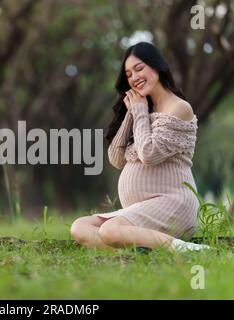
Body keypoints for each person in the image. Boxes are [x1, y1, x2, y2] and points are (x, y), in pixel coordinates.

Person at [70, 42, 211, 253]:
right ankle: (138, 252)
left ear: (157, 66)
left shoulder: (179, 108)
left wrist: (140, 112)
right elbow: (116, 159)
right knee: (80, 227)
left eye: (139, 68)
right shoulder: (142, 109)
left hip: (173, 204)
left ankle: (184, 249)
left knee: (110, 231)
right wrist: (132, 112)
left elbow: (149, 154)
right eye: (128, 74)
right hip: (140, 210)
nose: (134, 77)